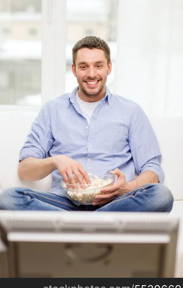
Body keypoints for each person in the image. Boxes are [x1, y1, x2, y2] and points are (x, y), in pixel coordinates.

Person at [0, 36, 173, 212]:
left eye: (98, 65)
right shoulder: (52, 110)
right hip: (64, 202)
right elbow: (25, 170)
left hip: (115, 202)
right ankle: (96, 225)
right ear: (74, 69)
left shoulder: (131, 111)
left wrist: (127, 188)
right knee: (9, 198)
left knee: (161, 195)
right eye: (84, 67)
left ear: (109, 67)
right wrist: (56, 161)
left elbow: (153, 169)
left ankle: (73, 225)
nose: (91, 74)